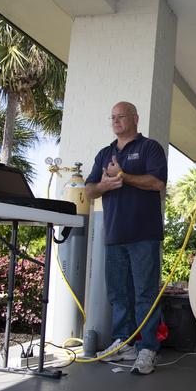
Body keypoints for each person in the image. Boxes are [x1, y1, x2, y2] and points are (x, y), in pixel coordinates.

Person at [85, 101, 167, 375]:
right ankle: (125, 343)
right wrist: (103, 185)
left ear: (135, 118)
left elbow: (157, 183)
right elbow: (89, 189)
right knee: (118, 294)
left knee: (145, 293)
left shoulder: (149, 148)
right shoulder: (105, 153)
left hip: (144, 233)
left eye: (121, 116)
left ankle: (148, 348)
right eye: (113, 117)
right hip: (114, 234)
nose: (116, 120)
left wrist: (123, 176)